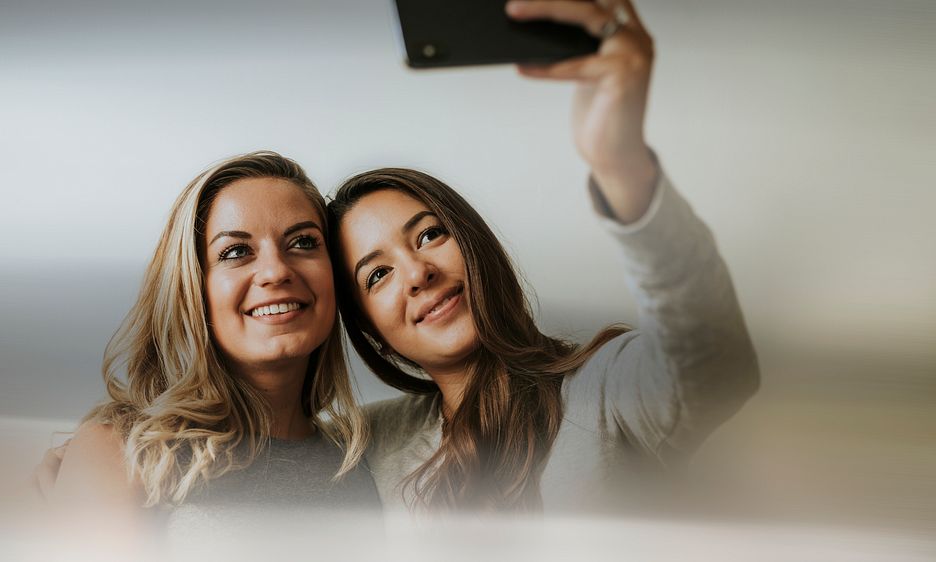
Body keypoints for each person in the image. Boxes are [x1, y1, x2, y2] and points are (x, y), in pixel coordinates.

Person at [325, 0, 759, 512]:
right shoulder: (364, 448)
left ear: (474, 242)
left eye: (428, 236)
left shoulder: (601, 390)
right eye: (377, 275)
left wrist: (620, 166)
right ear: (370, 331)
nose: (417, 273)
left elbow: (715, 364)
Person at [46, 152, 380, 552]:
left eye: (303, 242)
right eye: (236, 252)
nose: (276, 271)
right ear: (194, 288)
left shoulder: (362, 461)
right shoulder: (123, 451)